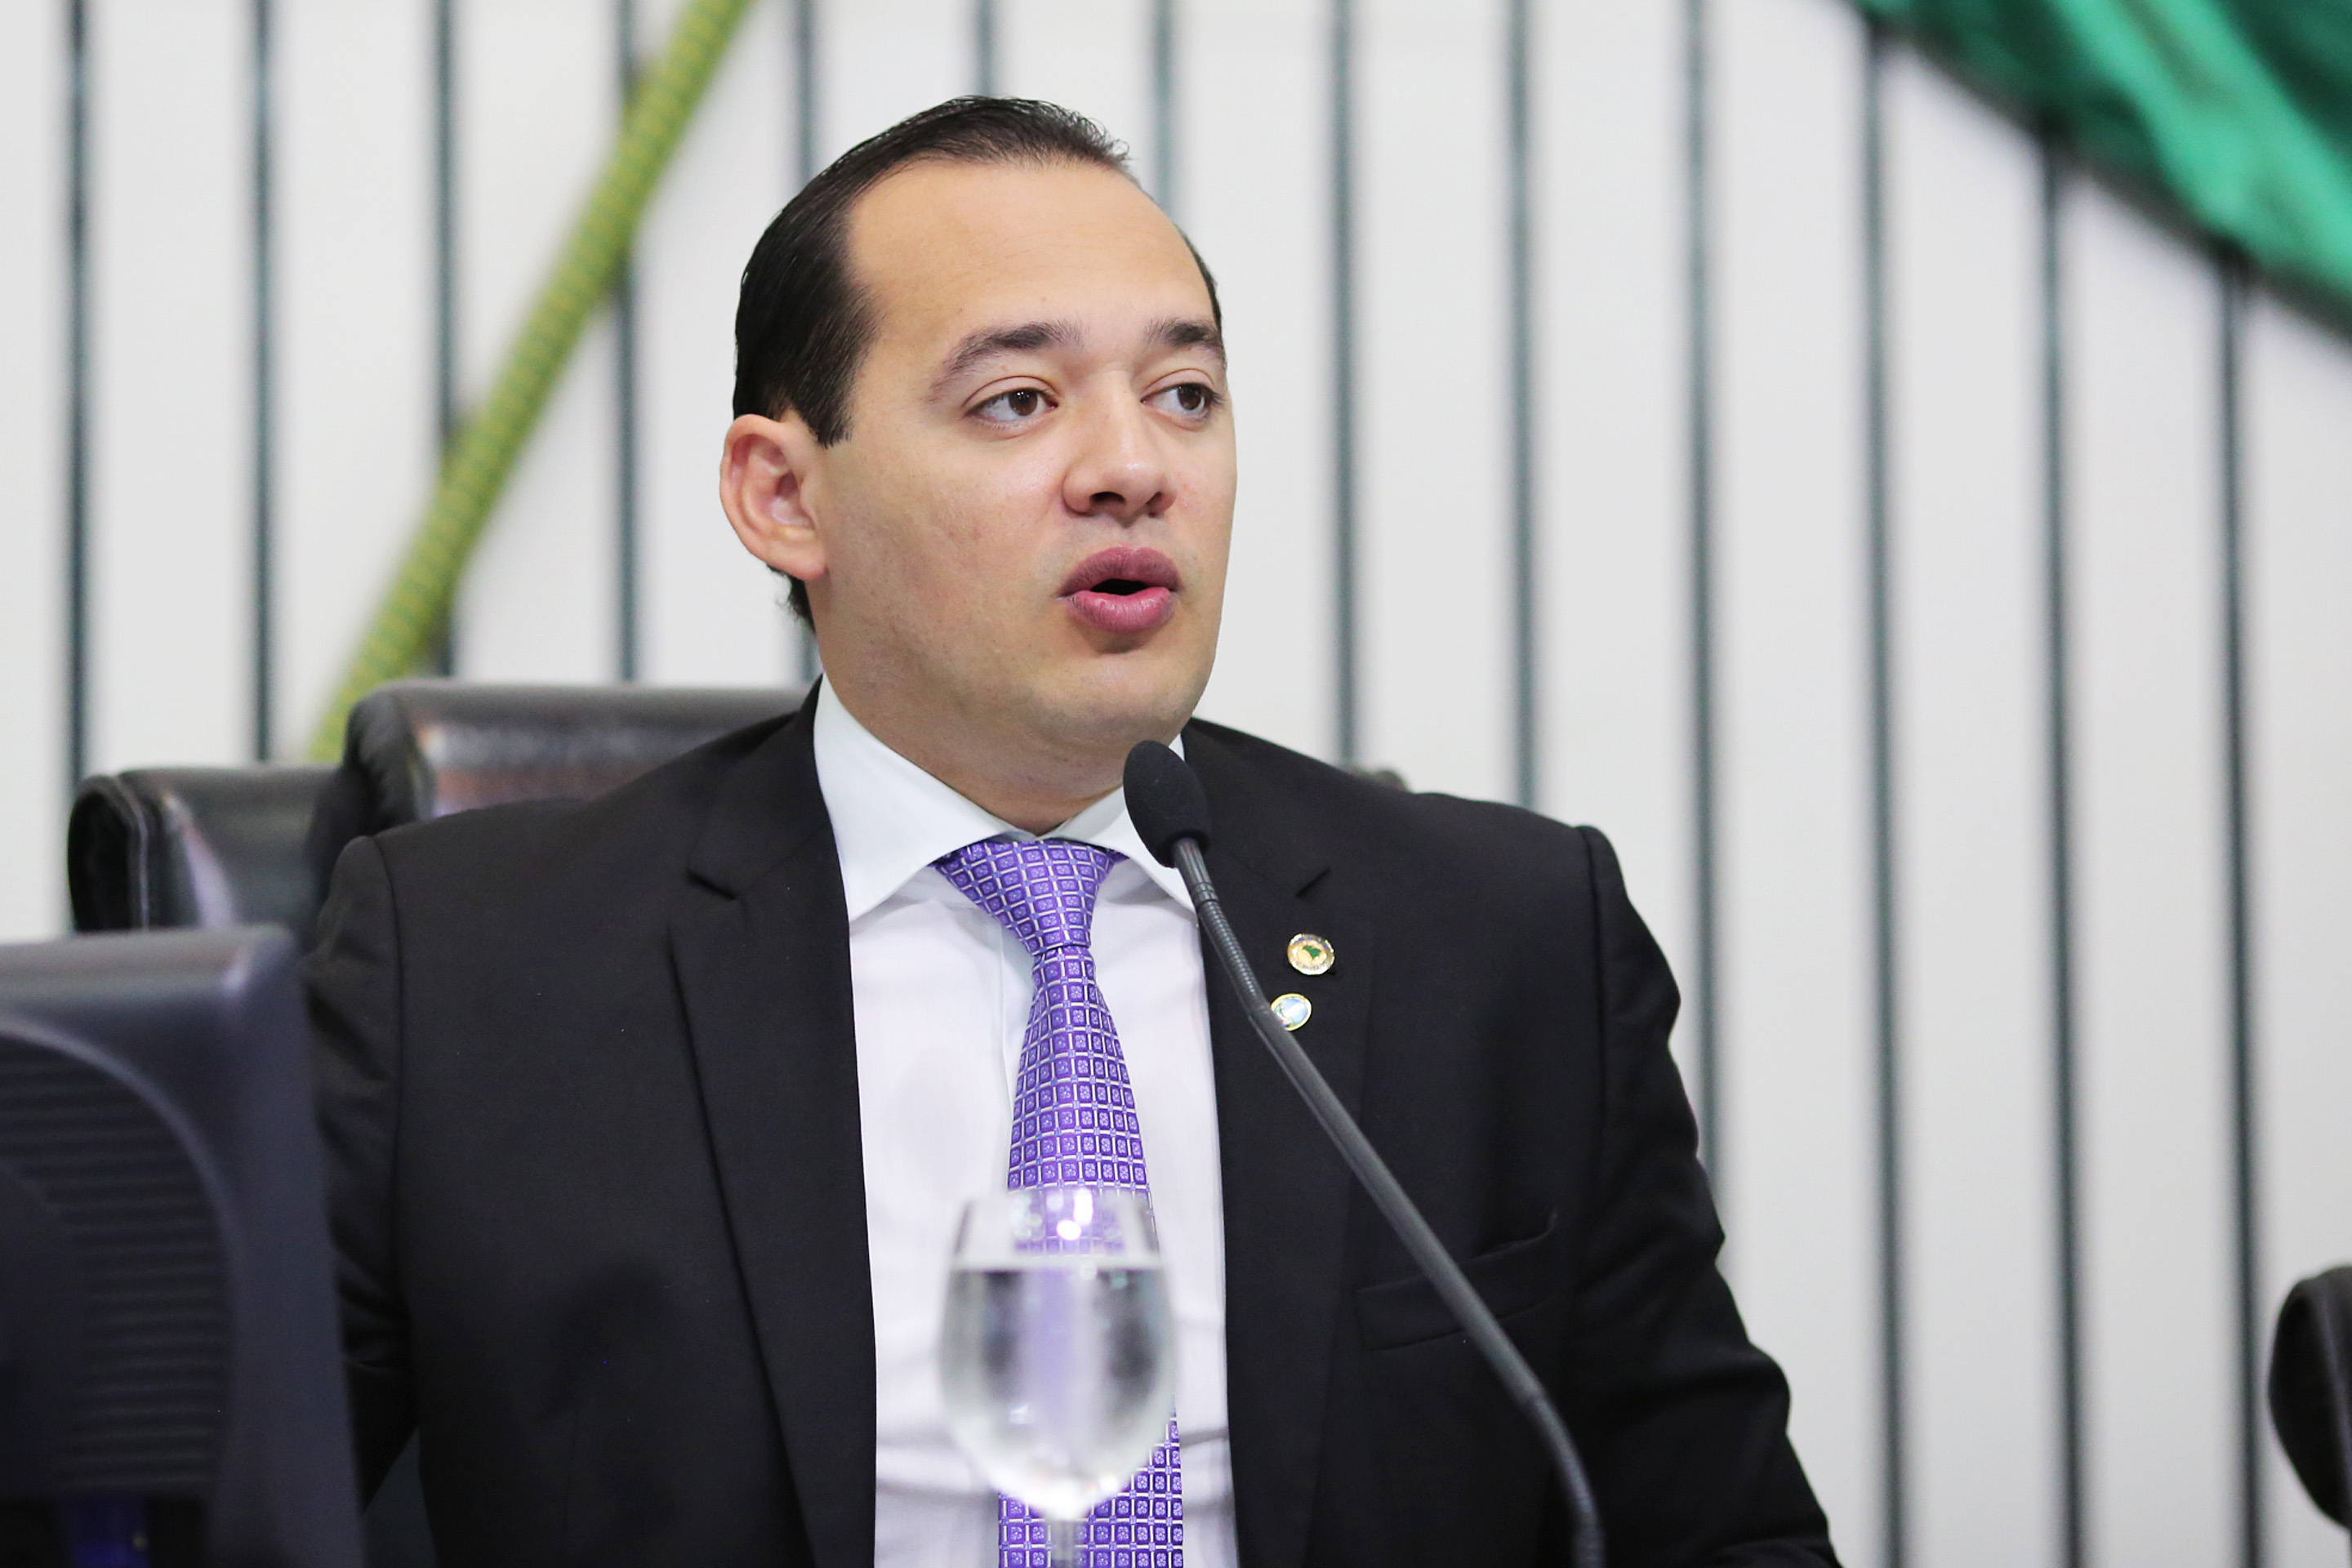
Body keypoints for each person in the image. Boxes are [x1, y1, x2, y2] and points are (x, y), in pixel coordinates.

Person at [305, 98, 1838, 1568]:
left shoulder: (1504, 946)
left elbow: (1722, 1534)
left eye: (1185, 395)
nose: (1134, 468)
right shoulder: (471, 973)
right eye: (1018, 401)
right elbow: (208, 1510)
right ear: (783, 495)